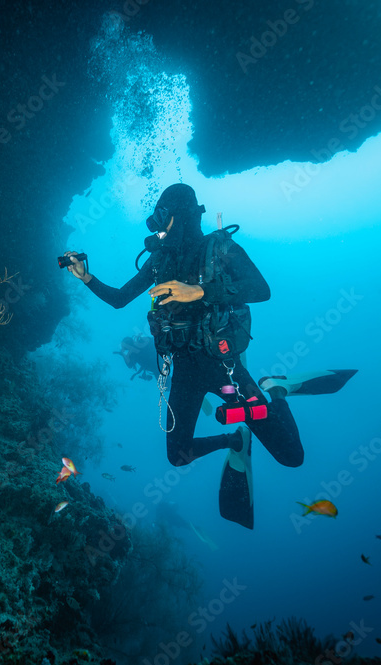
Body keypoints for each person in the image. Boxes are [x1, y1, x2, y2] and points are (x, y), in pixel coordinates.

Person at [64, 183, 302, 529]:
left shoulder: (219, 247)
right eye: (155, 217)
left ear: (184, 214)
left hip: (225, 370)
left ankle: (277, 391)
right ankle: (233, 440)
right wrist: (87, 278)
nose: (158, 226)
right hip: (184, 371)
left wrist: (201, 291)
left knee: (292, 457)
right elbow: (119, 298)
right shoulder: (160, 260)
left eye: (163, 216)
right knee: (177, 456)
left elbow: (261, 289)